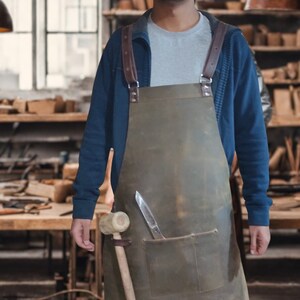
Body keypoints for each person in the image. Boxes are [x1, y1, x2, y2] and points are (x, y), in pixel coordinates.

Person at [71, 0, 272, 299]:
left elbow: (251, 135)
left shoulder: (230, 44)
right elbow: (97, 133)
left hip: (209, 234)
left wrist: (258, 210)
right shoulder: (123, 45)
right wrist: (83, 204)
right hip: (137, 232)